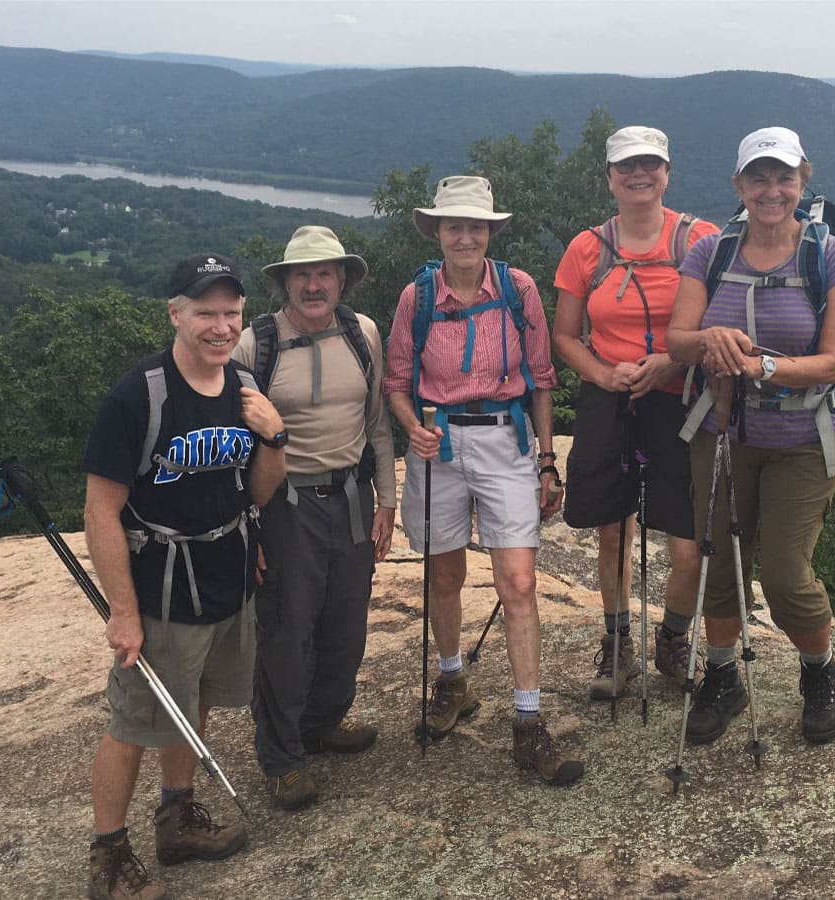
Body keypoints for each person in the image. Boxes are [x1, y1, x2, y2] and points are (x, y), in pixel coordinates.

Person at [83, 253, 288, 900]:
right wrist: (123, 610)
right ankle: (108, 854)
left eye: (232, 312)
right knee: (134, 724)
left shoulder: (246, 388)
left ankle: (177, 815)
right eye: (206, 312)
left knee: (194, 701)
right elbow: (100, 510)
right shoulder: (139, 395)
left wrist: (275, 438)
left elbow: (258, 492)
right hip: (161, 586)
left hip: (226, 574)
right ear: (176, 313)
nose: (221, 325)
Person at [666, 126, 835, 745]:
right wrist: (709, 341)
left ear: (803, 181)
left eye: (784, 177)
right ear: (739, 185)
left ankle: (819, 673)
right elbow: (676, 341)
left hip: (803, 438)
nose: (771, 190)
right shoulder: (711, 254)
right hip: (722, 430)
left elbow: (833, 360)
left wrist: (761, 366)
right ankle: (723, 677)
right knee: (718, 562)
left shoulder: (830, 257)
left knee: (782, 572)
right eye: (759, 177)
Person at [383, 175, 583, 786]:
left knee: (517, 581)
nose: (465, 235)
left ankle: (528, 720)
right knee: (444, 573)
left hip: (505, 438)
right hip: (436, 442)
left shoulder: (518, 289)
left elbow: (542, 377)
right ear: (438, 232)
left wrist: (548, 460)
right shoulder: (416, 297)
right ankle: (452, 679)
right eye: (454, 225)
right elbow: (395, 383)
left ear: (490, 231)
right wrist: (410, 426)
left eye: (475, 226)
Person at [232, 225, 397, 810]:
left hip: (351, 497)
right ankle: (281, 757)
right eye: (301, 274)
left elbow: (376, 421)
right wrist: (244, 527)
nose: (313, 284)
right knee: (285, 630)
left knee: (345, 625)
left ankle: (323, 721)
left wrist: (387, 499)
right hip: (284, 504)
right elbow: (235, 443)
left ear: (342, 280)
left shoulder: (362, 333)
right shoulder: (256, 345)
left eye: (325, 273)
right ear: (283, 283)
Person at [552, 126, 719, 701]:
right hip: (611, 396)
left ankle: (671, 638)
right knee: (612, 532)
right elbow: (565, 335)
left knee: (688, 546)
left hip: (682, 399)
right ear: (609, 179)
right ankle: (619, 645)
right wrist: (602, 374)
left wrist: (669, 364)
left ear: (667, 172)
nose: (638, 174)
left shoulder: (701, 240)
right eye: (626, 166)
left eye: (650, 164)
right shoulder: (586, 248)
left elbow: (718, 327)